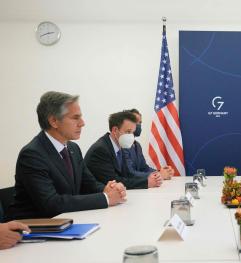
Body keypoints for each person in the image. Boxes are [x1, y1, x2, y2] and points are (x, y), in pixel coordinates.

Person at [6, 91, 126, 221]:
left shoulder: (73, 148)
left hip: (67, 222)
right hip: (33, 230)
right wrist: (106, 198)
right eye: (75, 117)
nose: (82, 123)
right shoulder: (32, 155)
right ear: (54, 121)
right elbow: (51, 204)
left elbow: (89, 184)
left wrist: (108, 189)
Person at [85, 111, 172, 189]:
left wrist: (156, 175)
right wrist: (146, 182)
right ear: (115, 130)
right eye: (128, 132)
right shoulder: (101, 149)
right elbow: (113, 181)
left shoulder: (120, 146)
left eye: (132, 132)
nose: (131, 136)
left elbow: (127, 173)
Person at [125, 109, 173, 179]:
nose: (139, 125)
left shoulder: (137, 145)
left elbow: (144, 168)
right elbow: (130, 173)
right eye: (136, 121)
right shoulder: (123, 145)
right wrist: (159, 175)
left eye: (140, 122)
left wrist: (160, 171)